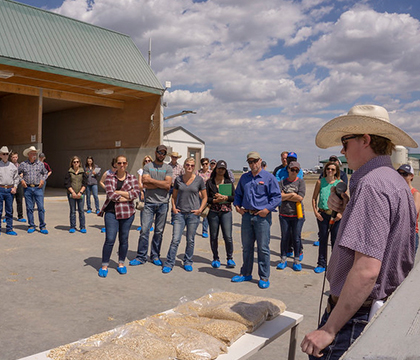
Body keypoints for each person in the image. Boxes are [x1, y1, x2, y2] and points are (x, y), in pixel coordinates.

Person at [301, 104, 417, 359]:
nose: (341, 151)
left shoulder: (371, 185)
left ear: (365, 140)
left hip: (354, 317)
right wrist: (348, 205)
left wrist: (329, 329)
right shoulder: (392, 179)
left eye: (345, 141)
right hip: (370, 309)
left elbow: (366, 270)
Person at [232, 151, 281, 289]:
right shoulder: (244, 178)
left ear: (260, 161)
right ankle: (246, 273)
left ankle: (264, 276)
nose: (253, 164)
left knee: (263, 247)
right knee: (246, 247)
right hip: (247, 216)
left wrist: (267, 210)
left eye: (255, 161)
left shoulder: (268, 177)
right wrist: (237, 206)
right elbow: (238, 195)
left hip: (262, 217)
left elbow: (277, 197)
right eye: (250, 162)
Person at [162, 157, 207, 273]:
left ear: (194, 167)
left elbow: (205, 197)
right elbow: (174, 196)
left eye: (192, 165)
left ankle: (188, 261)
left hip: (193, 214)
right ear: (184, 165)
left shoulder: (199, 180)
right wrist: (174, 208)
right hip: (180, 214)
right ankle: (169, 262)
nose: (190, 167)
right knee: (175, 239)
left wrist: (200, 210)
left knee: (190, 240)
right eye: (187, 165)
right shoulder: (178, 180)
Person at [130, 145, 172, 266]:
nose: (161, 155)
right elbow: (145, 183)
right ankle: (141, 256)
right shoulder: (148, 166)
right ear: (155, 152)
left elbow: (168, 186)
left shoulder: (168, 168)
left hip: (163, 204)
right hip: (149, 203)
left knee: (159, 231)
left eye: (164, 153)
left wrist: (153, 182)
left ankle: (155, 255)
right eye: (159, 152)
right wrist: (161, 184)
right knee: (144, 230)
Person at [98, 155, 140, 278]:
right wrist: (127, 196)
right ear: (115, 164)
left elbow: (136, 193)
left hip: (127, 213)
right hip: (111, 212)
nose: (121, 165)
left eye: (124, 163)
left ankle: (121, 263)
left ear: (126, 164)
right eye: (119, 163)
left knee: (124, 239)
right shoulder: (110, 178)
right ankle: (104, 265)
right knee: (110, 239)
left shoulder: (132, 178)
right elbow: (110, 194)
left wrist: (120, 193)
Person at [311, 161, 342, 273]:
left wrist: (340, 214)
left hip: (335, 216)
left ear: (336, 171)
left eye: (333, 169)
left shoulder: (339, 183)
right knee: (323, 240)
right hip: (322, 215)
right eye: (328, 169)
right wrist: (316, 212)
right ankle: (321, 263)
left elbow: (345, 201)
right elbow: (314, 198)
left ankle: (334, 265)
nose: (330, 171)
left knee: (335, 240)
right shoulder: (320, 182)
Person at [206, 160, 236, 269]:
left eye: (223, 169)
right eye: (219, 168)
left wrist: (225, 198)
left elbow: (234, 197)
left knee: (228, 236)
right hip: (213, 212)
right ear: (216, 169)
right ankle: (215, 258)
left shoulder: (228, 182)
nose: (221, 170)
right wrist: (214, 200)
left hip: (226, 211)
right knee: (214, 236)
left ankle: (230, 258)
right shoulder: (210, 182)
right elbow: (206, 198)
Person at [277, 161, 306, 271]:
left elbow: (300, 197)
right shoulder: (282, 182)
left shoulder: (301, 182)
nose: (294, 172)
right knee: (285, 237)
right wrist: (293, 195)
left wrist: (286, 195)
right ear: (288, 169)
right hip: (284, 214)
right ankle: (283, 259)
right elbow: (279, 197)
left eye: (296, 170)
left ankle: (297, 259)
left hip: (297, 215)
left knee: (296, 237)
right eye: (292, 169)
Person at [18, 146, 48, 234]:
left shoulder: (40, 164)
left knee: (41, 207)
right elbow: (17, 173)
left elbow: (45, 173)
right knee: (29, 208)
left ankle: (42, 226)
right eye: (33, 153)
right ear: (28, 154)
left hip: (38, 188)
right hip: (27, 188)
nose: (34, 155)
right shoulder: (23, 164)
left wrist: (43, 180)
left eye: (35, 153)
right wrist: (21, 180)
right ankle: (31, 225)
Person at [397, 164, 420, 251]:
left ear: (411, 176)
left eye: (405, 174)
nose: (401, 176)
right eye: (399, 174)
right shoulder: (396, 192)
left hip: (410, 235)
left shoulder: (415, 194)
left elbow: (413, 212)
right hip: (397, 234)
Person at [0, 146, 20, 235]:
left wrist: (15, 187)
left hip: (9, 190)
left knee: (9, 210)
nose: (5, 156)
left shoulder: (12, 166)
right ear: (0, 155)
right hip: (0, 189)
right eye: (3, 154)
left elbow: (16, 178)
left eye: (7, 154)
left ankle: (9, 228)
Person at [64, 156, 87, 233]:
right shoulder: (69, 172)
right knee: (73, 211)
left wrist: (80, 192)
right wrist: (73, 192)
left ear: (79, 163)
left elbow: (85, 183)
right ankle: (73, 226)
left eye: (77, 162)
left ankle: (82, 226)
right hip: (71, 194)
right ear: (72, 163)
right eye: (74, 162)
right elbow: (67, 183)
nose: (76, 163)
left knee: (81, 210)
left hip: (81, 194)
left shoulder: (83, 172)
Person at [99, 158, 117, 233]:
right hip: (110, 195)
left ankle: (116, 226)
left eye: (116, 167)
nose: (115, 169)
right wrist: (106, 188)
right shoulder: (108, 172)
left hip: (118, 194)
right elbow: (101, 181)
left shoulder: (120, 173)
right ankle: (107, 226)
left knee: (117, 210)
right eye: (114, 167)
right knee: (109, 210)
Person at [136, 155, 153, 231]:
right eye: (146, 161)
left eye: (149, 161)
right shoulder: (141, 170)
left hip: (151, 191)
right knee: (143, 209)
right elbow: (139, 183)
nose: (147, 162)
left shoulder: (153, 170)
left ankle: (149, 225)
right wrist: (141, 192)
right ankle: (142, 225)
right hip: (144, 191)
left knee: (151, 209)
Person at [9, 151, 26, 223]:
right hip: (11, 185)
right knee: (10, 201)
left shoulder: (20, 166)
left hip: (19, 185)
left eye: (16, 157)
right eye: (13, 157)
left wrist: (22, 175)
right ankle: (9, 216)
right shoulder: (8, 166)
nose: (15, 159)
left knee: (19, 201)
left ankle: (20, 216)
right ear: (11, 158)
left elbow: (25, 173)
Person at [168, 151, 184, 224]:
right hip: (168, 186)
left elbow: (183, 177)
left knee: (175, 203)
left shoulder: (180, 167)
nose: (174, 158)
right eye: (173, 157)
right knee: (165, 202)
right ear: (171, 157)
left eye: (176, 157)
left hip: (176, 187)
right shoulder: (167, 166)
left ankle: (174, 218)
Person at [197, 157, 212, 238]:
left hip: (208, 196)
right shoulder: (198, 173)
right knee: (197, 212)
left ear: (208, 164)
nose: (205, 165)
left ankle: (205, 230)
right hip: (199, 195)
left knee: (205, 213)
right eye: (203, 164)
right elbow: (195, 184)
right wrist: (199, 193)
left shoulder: (212, 173)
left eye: (206, 163)